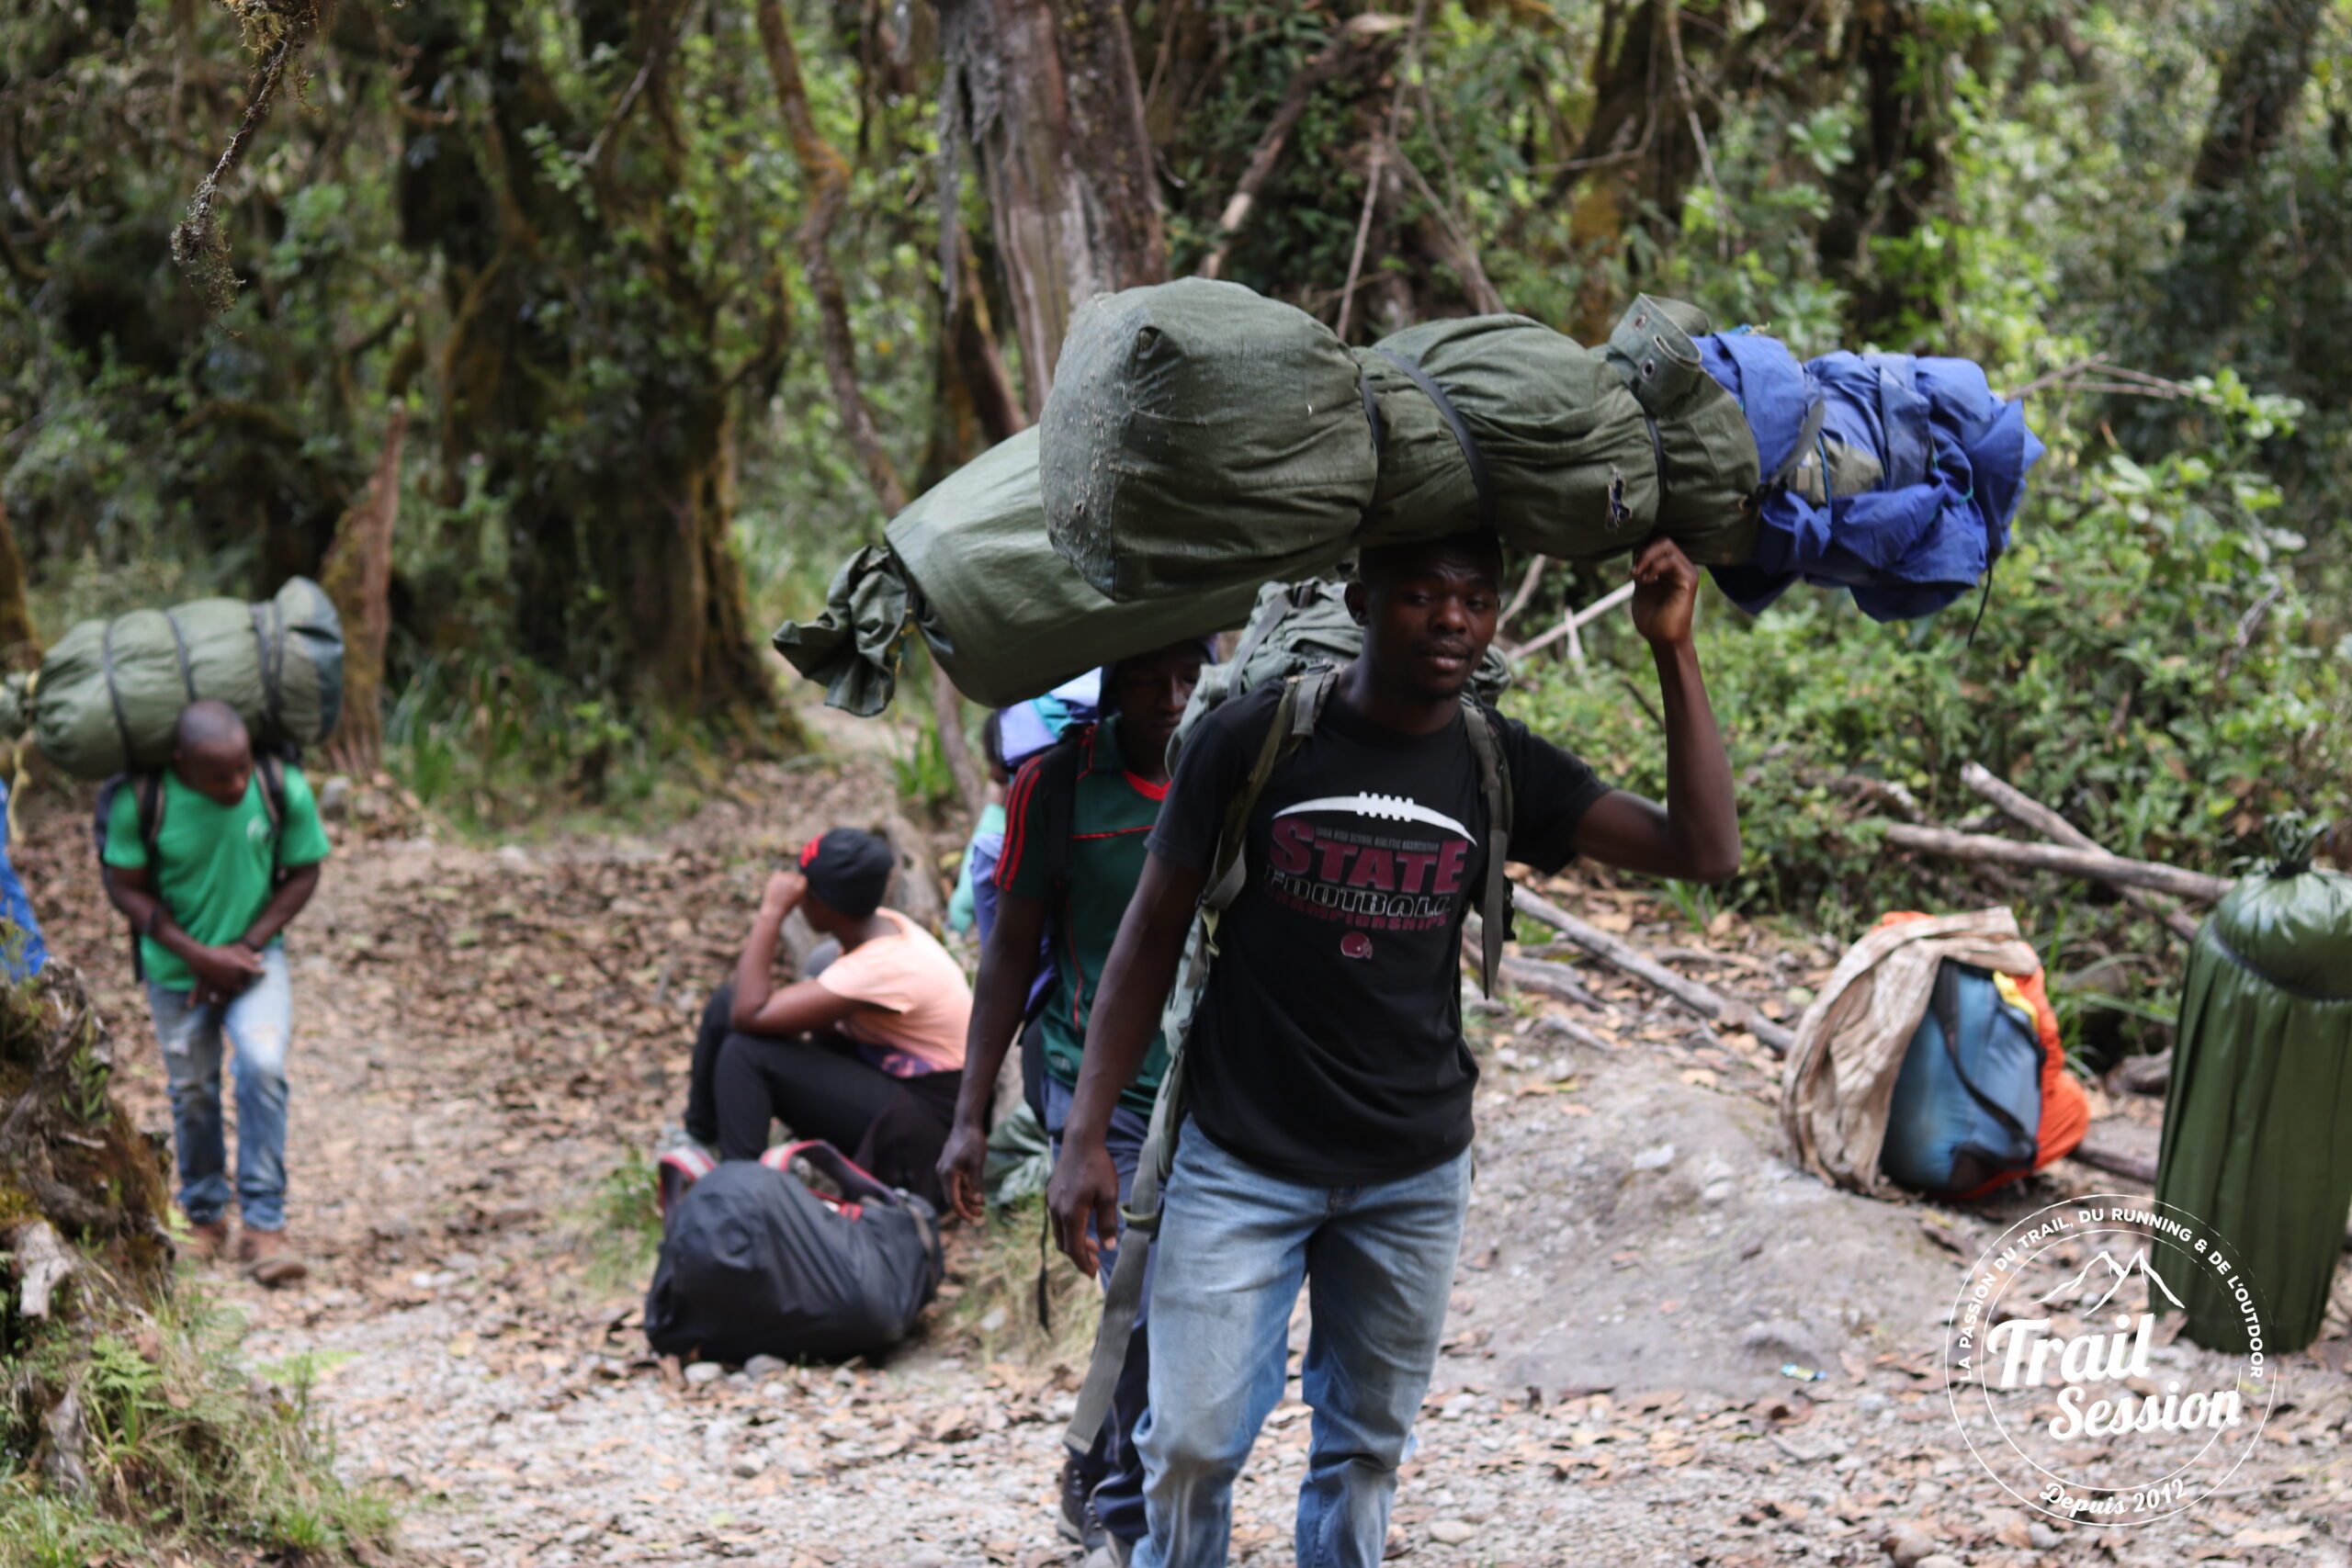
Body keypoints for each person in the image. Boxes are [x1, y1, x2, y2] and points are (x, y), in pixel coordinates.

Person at [1047, 534, 1739, 1568]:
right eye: (1420, 595)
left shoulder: (1498, 763)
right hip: (1240, 1160)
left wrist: (1672, 649)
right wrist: (1085, 1134)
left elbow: (1704, 850)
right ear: (1364, 601)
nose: (1451, 619)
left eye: (1474, 598)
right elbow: (1149, 934)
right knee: (1189, 1446)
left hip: (1410, 1173)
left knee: (1364, 1454)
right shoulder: (1253, 740)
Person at [938, 639, 1209, 1560]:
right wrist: (971, 1116)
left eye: (1189, 676)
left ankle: (1111, 1483)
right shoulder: (1052, 788)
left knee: (1191, 1306)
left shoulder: (1235, 766)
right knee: (1138, 1290)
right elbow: (1009, 949)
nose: (1170, 698)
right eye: (1146, 677)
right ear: (1107, 685)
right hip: (1095, 1084)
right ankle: (1133, 1522)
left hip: (1218, 1083)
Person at [101, 700, 332, 1286]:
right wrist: (202, 956)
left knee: (262, 1065)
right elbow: (123, 885)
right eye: (218, 776)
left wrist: (243, 949)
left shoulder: (282, 787)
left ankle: (265, 1226)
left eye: (242, 769)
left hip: (256, 962)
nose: (235, 784)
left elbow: (304, 871)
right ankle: (203, 1215)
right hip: (175, 970)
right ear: (182, 765)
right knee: (193, 1087)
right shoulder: (143, 803)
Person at [681, 828, 970, 1207]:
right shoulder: (882, 926)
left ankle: (741, 1197)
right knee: (727, 1004)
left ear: (823, 904)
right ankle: (699, 1140)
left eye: (803, 890)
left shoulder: (883, 965)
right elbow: (746, 1009)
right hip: (896, 1088)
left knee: (745, 1052)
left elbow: (749, 1014)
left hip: (924, 1133)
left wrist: (771, 913)